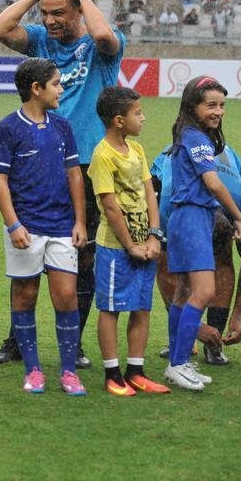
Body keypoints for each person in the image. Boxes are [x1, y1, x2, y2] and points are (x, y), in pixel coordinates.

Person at [0, 0, 124, 369]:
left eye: (59, 14)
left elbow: (102, 33)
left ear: (79, 9)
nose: (50, 22)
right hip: (38, 160)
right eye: (45, 14)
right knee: (27, 253)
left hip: (88, 164)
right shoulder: (40, 41)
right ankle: (17, 339)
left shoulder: (100, 47)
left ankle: (74, 342)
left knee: (82, 255)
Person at [0, 58, 88, 396]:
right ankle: (33, 370)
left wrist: (79, 221)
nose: (61, 89)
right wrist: (13, 224)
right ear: (37, 88)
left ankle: (69, 371)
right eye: (57, 83)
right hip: (26, 227)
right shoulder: (8, 128)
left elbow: (75, 175)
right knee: (25, 294)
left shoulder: (62, 126)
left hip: (61, 224)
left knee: (65, 296)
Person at [161, 77, 241, 392]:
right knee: (204, 291)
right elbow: (212, 183)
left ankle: (177, 362)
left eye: (222, 105)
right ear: (192, 106)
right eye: (211, 105)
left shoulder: (189, 134)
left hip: (185, 218)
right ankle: (179, 363)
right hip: (193, 218)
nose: (219, 111)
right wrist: (237, 216)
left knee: (183, 293)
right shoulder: (196, 138)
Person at [87, 87, 170, 397]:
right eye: (138, 113)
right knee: (111, 309)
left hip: (145, 245)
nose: (143, 117)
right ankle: (112, 373)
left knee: (141, 307)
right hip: (114, 248)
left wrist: (153, 236)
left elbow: (150, 193)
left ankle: (136, 371)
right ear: (119, 120)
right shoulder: (102, 155)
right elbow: (109, 206)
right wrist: (130, 245)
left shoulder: (136, 151)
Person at [151, 140, 241, 366]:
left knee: (222, 258)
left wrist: (237, 317)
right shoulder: (169, 208)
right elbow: (162, 265)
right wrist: (193, 326)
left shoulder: (240, 206)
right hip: (170, 189)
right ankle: (182, 334)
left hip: (226, 181)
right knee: (170, 260)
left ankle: (214, 343)